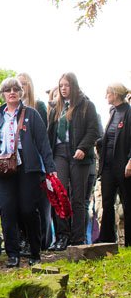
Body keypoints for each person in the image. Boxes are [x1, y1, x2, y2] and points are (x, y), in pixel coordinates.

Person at [0, 77, 57, 267]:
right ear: (2, 94)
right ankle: (13, 254)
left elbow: (43, 143)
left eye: (15, 89)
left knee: (28, 210)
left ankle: (35, 251)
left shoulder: (32, 114)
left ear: (21, 93)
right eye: (8, 90)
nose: (12, 93)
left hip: (28, 168)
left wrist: (51, 169)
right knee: (7, 210)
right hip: (4, 170)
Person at [47, 72, 100, 250]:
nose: (63, 89)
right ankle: (62, 236)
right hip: (59, 153)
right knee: (60, 194)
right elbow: (50, 133)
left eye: (67, 85)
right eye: (61, 85)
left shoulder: (87, 105)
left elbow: (94, 130)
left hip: (79, 155)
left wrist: (83, 148)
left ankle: (78, 238)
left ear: (74, 86)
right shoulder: (56, 107)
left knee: (78, 198)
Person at [15, 72, 53, 253]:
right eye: (18, 84)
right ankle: (24, 239)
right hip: (17, 161)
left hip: (35, 162)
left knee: (38, 204)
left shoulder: (38, 107)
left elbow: (42, 137)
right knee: (21, 203)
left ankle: (41, 240)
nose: (21, 87)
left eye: (24, 84)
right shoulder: (11, 110)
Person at [96, 82, 131, 246]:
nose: (106, 96)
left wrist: (130, 161)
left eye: (108, 93)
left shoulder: (128, 112)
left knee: (127, 202)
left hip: (123, 165)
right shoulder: (112, 111)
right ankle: (107, 239)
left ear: (115, 94)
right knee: (107, 202)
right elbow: (108, 137)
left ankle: (129, 242)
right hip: (108, 165)